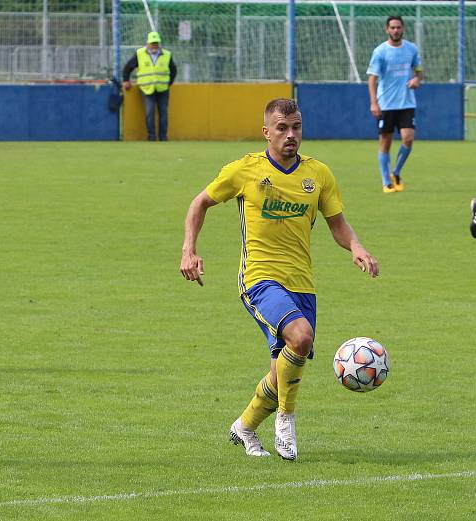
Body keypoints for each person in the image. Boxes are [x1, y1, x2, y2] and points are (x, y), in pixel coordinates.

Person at [179, 98, 379, 461]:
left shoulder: (318, 174)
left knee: (281, 372)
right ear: (266, 132)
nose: (291, 135)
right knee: (301, 337)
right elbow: (199, 203)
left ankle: (244, 427)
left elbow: (337, 224)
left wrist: (356, 247)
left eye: (297, 127)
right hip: (259, 279)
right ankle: (286, 420)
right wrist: (188, 250)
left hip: (302, 284)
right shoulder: (245, 170)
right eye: (283, 128)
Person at [367, 15, 422, 193]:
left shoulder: (411, 49)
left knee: (408, 138)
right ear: (387, 29)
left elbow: (419, 71)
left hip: (406, 103)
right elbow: (372, 79)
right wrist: (374, 103)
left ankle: (396, 172)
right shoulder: (380, 52)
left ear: (403, 28)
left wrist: (416, 80)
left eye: (398, 27)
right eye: (392, 28)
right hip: (386, 104)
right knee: (385, 143)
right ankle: (386, 182)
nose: (395, 30)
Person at [122, 31, 177, 141]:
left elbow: (174, 70)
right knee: (150, 112)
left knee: (163, 113)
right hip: (146, 89)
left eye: (156, 43)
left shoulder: (167, 55)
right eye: (152, 43)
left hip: (163, 89)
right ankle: (151, 137)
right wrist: (126, 80)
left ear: (159, 43)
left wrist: (168, 83)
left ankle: (163, 137)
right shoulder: (139, 54)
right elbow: (127, 67)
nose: (154, 45)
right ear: (148, 43)